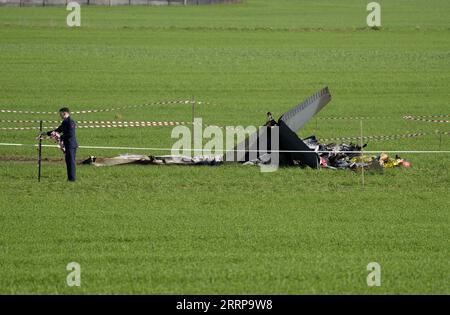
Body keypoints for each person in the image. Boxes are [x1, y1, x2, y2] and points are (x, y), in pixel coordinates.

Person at [44, 107, 78, 182]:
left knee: (71, 162)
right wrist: (47, 133)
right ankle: (70, 178)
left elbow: (71, 134)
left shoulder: (70, 122)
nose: (60, 116)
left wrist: (60, 137)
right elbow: (58, 130)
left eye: (60, 114)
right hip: (68, 144)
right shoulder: (65, 122)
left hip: (71, 145)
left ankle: (72, 179)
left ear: (64, 113)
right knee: (68, 161)